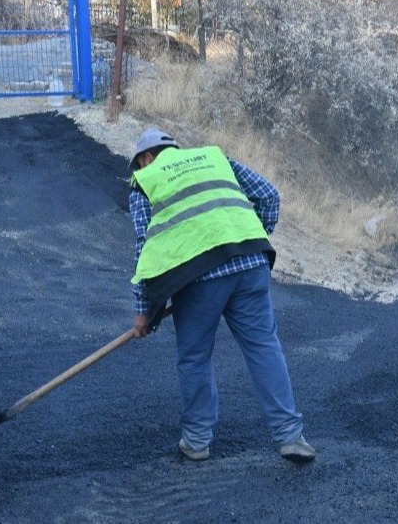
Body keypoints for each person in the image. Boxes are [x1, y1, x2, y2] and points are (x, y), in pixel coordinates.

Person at [126, 128, 314, 464]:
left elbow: (146, 248)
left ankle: (197, 441)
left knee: (195, 356)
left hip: (197, 278)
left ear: (146, 158)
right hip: (250, 261)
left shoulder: (145, 181)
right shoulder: (214, 158)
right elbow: (269, 195)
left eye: (139, 164)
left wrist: (145, 312)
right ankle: (291, 437)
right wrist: (249, 237)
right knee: (264, 347)